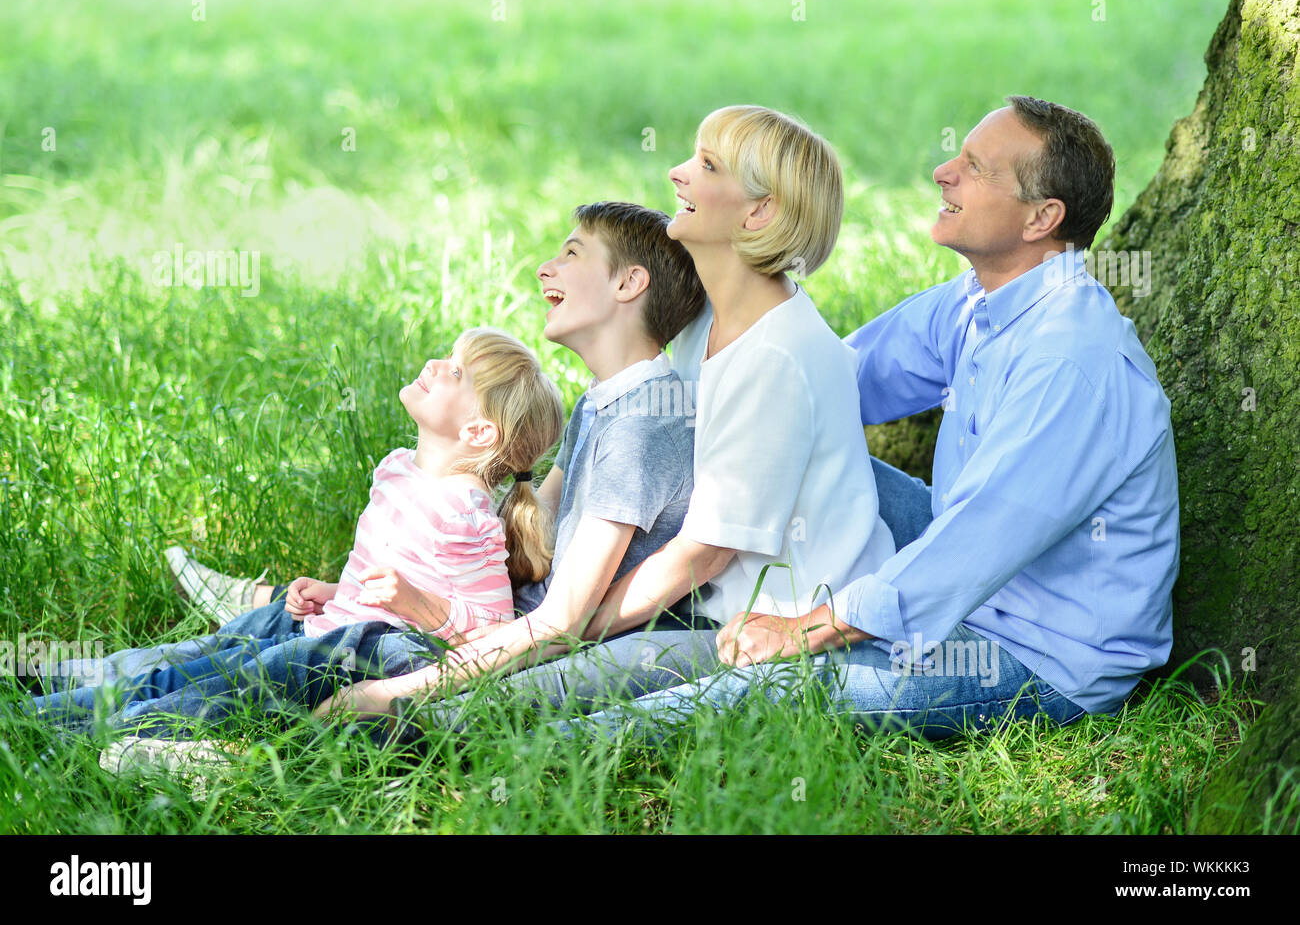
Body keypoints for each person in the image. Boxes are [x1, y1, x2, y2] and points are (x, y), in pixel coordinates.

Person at [553, 95, 1178, 742]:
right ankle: (572, 600)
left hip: (1032, 654)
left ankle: (555, 741)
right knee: (750, 451)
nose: (943, 171)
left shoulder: (1071, 362)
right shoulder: (978, 303)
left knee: (780, 686)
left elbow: (971, 544)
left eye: (976, 167)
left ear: (1041, 217)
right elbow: (828, 383)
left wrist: (805, 628)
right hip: (963, 566)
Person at [323, 105, 898, 730]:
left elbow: (697, 558)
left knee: (488, 713)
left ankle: (350, 700)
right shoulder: (705, 320)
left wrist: (554, 630)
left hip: (756, 630)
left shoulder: (777, 360)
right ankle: (293, 620)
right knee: (466, 648)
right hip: (693, 604)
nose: (678, 174)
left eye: (706, 165)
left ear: (758, 212)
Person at [19, 327, 565, 730]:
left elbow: (495, 630)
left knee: (217, 683)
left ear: (478, 430)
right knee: (195, 654)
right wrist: (336, 591)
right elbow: (383, 577)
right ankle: (42, 682)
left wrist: (417, 605)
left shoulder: (467, 513)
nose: (432, 363)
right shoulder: (400, 465)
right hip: (326, 620)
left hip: (358, 651)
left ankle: (64, 728)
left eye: (454, 371)